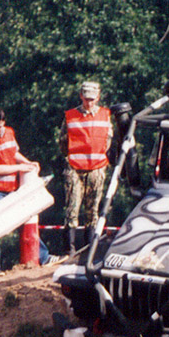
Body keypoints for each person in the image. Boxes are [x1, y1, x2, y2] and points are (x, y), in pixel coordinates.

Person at [0, 106, 51, 275]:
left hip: (11, 187)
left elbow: (14, 153)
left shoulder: (9, 133)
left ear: (4, 123)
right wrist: (22, 167)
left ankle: (43, 256)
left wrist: (28, 163)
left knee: (28, 217)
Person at [63, 81, 112, 255]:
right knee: (72, 209)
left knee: (93, 211)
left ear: (98, 97)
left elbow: (109, 141)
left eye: (92, 99)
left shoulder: (106, 115)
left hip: (97, 168)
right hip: (75, 168)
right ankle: (70, 249)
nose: (89, 102)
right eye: (86, 99)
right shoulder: (70, 116)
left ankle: (90, 250)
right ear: (81, 96)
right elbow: (63, 142)